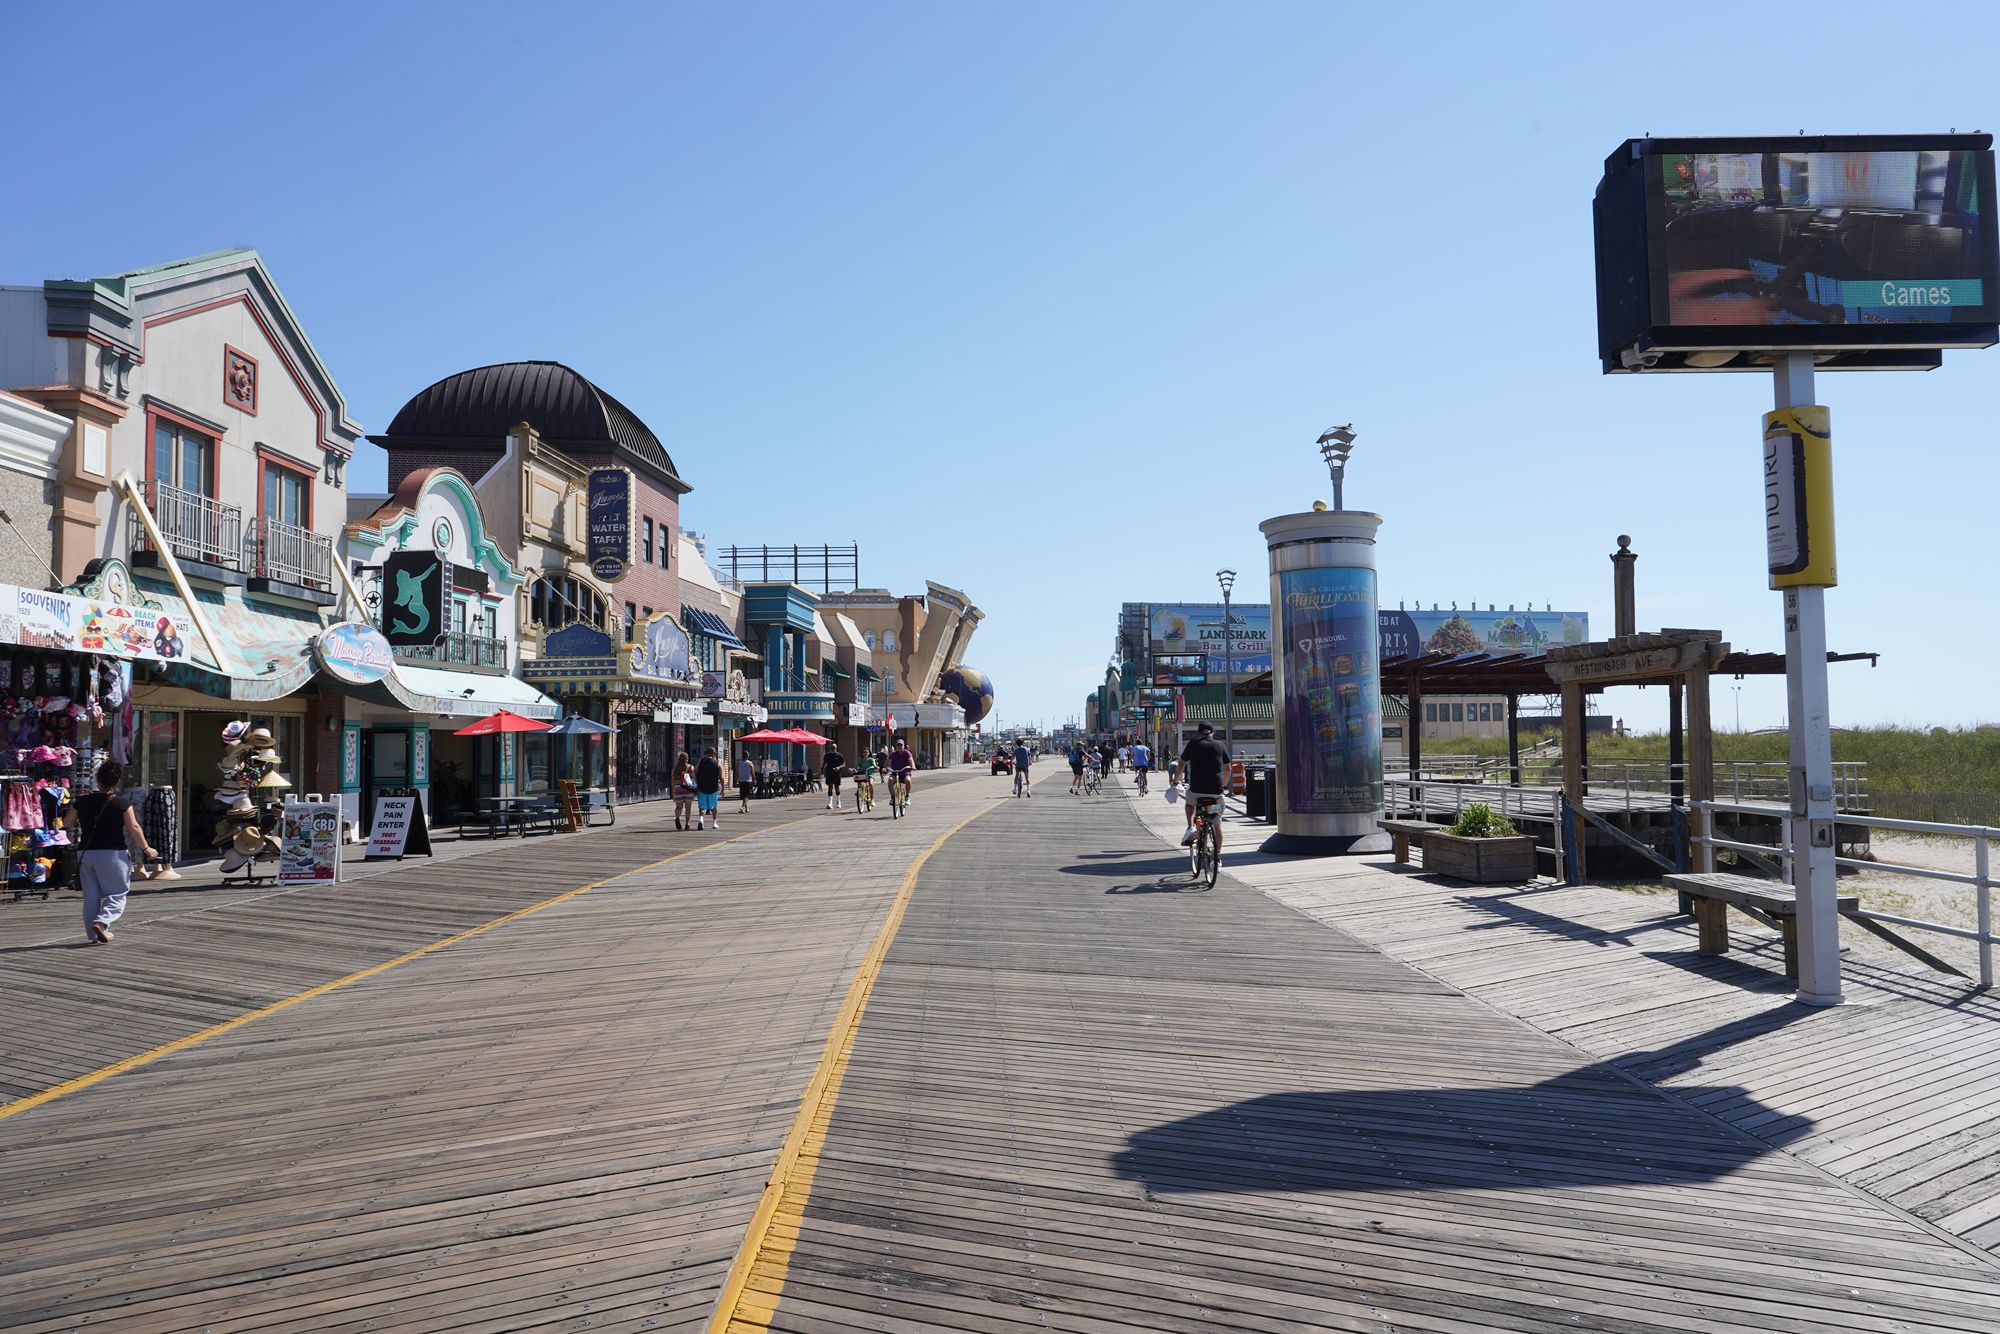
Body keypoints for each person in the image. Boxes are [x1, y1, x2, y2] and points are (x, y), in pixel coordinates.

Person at [63, 760, 158, 945]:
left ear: (97, 780)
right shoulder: (122, 803)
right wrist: (146, 848)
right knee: (117, 893)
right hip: (113, 853)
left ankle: (93, 936)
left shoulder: (81, 802)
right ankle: (102, 922)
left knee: (91, 895)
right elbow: (134, 828)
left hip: (86, 854)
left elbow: (67, 823)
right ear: (117, 782)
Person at [1178, 721, 1231, 853]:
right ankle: (1217, 857)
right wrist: (1223, 785)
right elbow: (1228, 768)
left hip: (1197, 791)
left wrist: (1175, 781)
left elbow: (1181, 765)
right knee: (1217, 823)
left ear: (1198, 733)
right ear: (1213, 733)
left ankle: (1191, 827)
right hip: (1216, 793)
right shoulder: (1220, 745)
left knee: (1190, 804)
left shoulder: (1193, 744)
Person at [694, 748, 724, 830]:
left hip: (702, 787)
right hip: (713, 788)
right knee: (714, 807)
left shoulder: (701, 761)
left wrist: (696, 782)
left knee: (702, 807)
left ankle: (701, 820)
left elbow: (694, 771)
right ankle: (714, 823)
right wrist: (723, 788)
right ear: (714, 754)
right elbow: (721, 777)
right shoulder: (718, 763)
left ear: (707, 753)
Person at [887, 738, 916, 808]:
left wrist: (913, 766)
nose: (899, 747)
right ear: (896, 746)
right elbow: (888, 761)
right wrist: (885, 768)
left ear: (904, 746)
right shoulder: (893, 754)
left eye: (901, 745)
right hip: (895, 772)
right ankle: (892, 797)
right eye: (898, 745)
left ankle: (907, 797)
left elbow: (910, 760)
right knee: (890, 780)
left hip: (905, 772)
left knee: (908, 780)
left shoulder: (907, 752)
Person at [671, 751, 697, 830]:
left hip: (678, 789)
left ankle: (677, 818)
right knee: (688, 808)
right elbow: (694, 778)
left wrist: (673, 791)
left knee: (678, 807)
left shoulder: (674, 769)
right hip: (688, 789)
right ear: (687, 759)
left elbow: (672, 781)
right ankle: (687, 824)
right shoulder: (690, 767)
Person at [823, 744, 847, 811]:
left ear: (836, 748)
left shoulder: (839, 755)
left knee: (836, 787)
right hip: (829, 772)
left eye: (834, 748)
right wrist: (822, 769)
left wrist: (839, 767)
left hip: (837, 773)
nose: (832, 749)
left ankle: (838, 801)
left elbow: (844, 764)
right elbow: (824, 763)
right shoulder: (827, 755)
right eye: (831, 748)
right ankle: (830, 803)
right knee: (830, 786)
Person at [855, 748, 878, 812]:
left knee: (870, 783)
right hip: (863, 773)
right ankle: (859, 790)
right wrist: (857, 769)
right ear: (862, 754)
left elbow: (874, 764)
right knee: (858, 777)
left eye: (866, 752)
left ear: (869, 753)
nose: (865, 754)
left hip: (870, 773)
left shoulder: (871, 760)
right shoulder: (860, 760)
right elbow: (858, 767)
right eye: (864, 752)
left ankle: (872, 799)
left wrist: (875, 766)